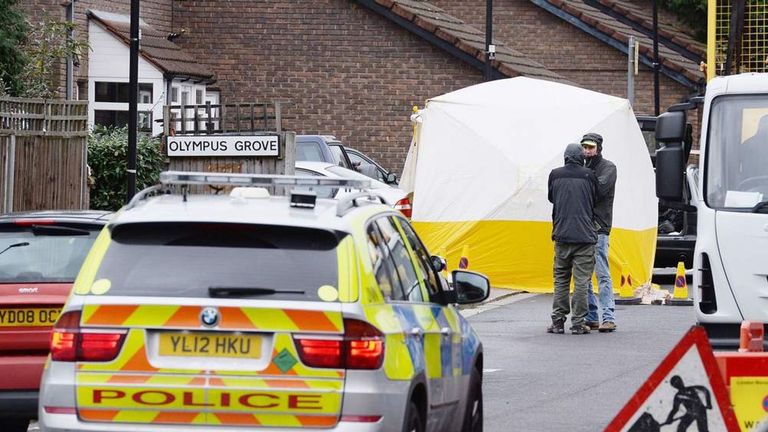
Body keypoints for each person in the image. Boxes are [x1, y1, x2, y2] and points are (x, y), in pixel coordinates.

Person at [547, 143, 599, 335]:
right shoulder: (589, 175)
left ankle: (558, 322)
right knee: (581, 282)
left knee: (561, 279)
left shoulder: (555, 174)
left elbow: (552, 198)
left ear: (566, 157)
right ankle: (578, 323)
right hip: (585, 237)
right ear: (581, 157)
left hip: (562, 235)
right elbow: (595, 199)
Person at [581, 133, 618, 333]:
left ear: (598, 148)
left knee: (602, 274)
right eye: (585, 147)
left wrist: (580, 181)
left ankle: (609, 316)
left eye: (591, 147)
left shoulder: (608, 168)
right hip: (583, 227)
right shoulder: (583, 168)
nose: (587, 151)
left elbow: (598, 190)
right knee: (584, 276)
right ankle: (592, 316)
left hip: (599, 228)